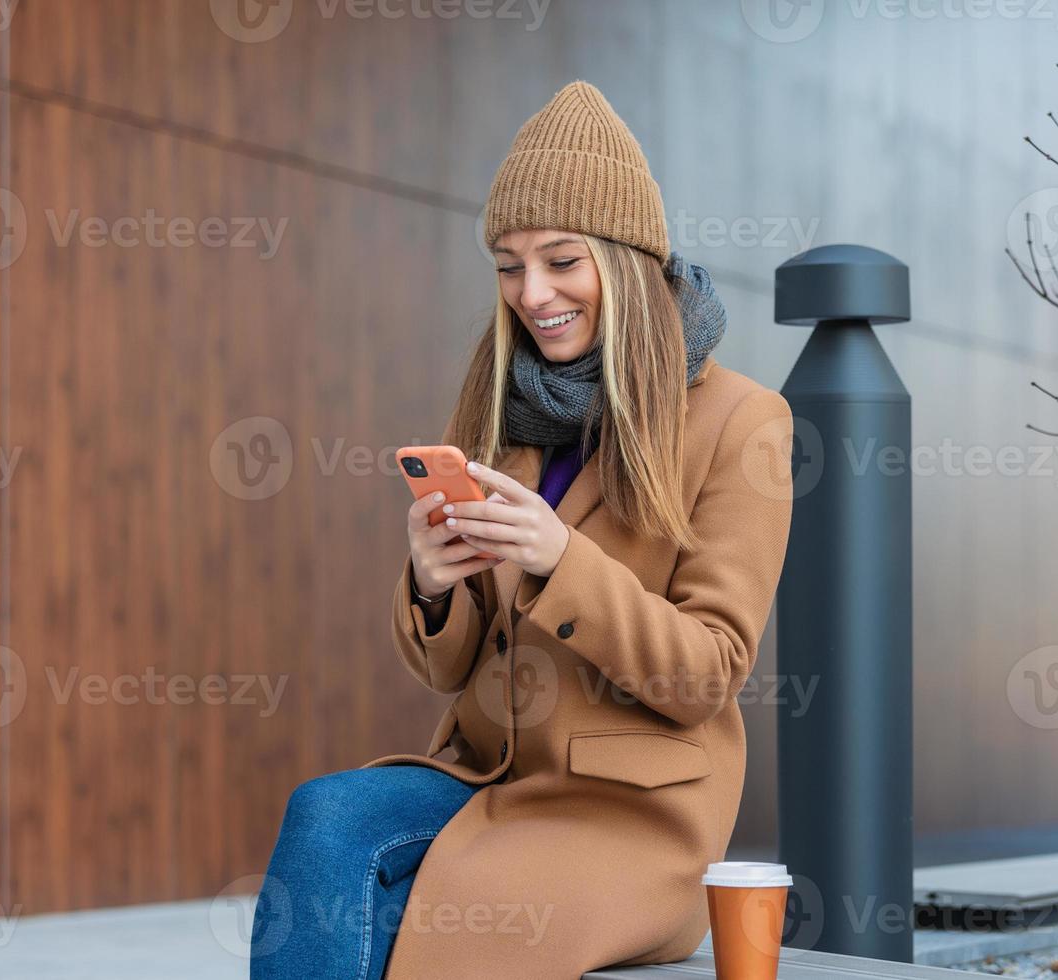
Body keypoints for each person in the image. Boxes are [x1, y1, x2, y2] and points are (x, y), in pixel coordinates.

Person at [251, 79, 794, 980]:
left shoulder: (744, 422)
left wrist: (559, 560)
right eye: (508, 264)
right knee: (327, 820)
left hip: (625, 813)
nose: (531, 292)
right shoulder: (504, 408)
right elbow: (448, 669)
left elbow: (703, 674)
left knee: (453, 924)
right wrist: (431, 585)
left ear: (625, 260)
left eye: (560, 260)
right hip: (487, 778)